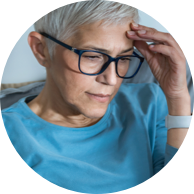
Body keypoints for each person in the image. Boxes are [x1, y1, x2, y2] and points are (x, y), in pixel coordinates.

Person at [1, 0, 192, 193]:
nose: (111, 79)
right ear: (41, 49)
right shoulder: (13, 134)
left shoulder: (150, 103)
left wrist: (178, 98)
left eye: (124, 58)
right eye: (92, 56)